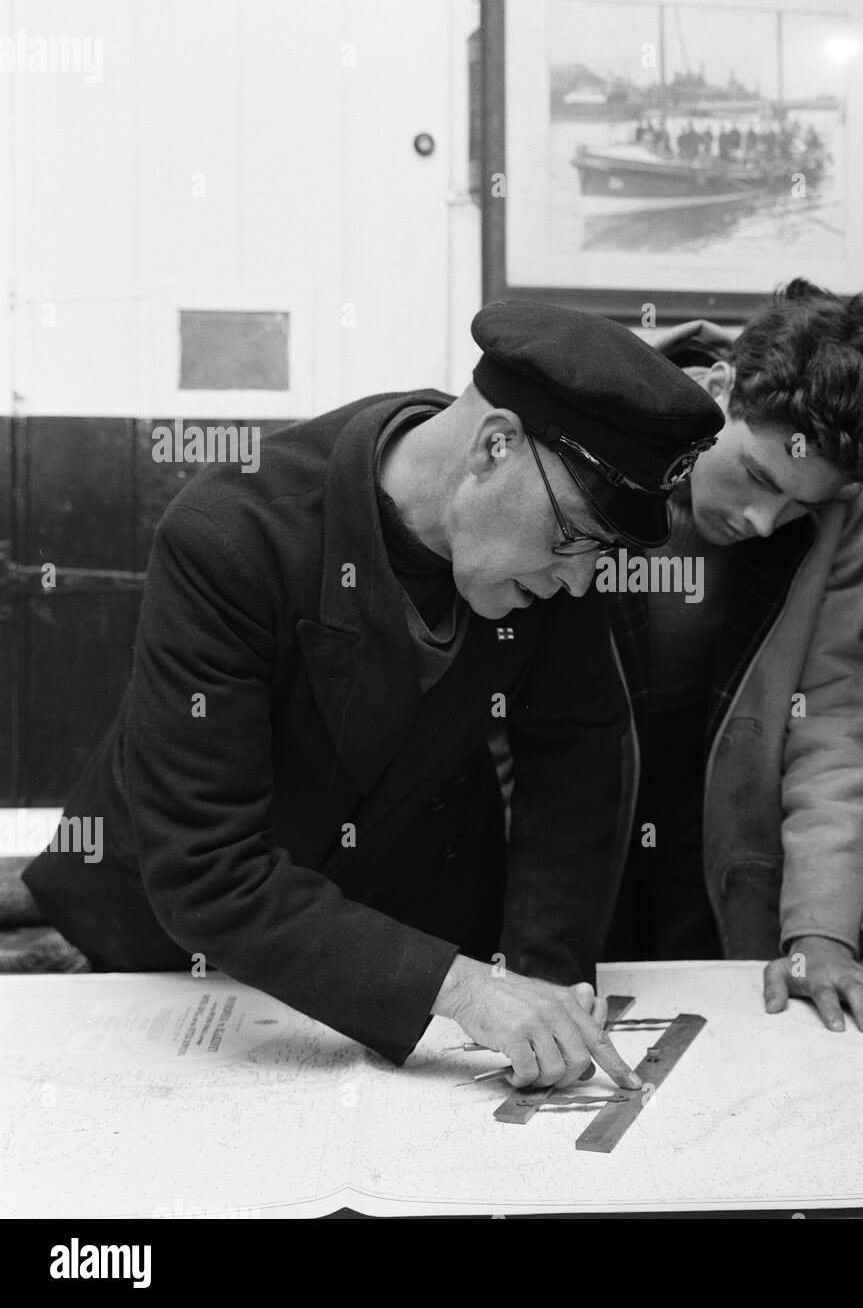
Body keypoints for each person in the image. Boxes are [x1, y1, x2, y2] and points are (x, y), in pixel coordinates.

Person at [21, 300, 723, 1091]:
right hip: (175, 953)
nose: (581, 577)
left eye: (602, 553)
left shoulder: (547, 548)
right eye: (573, 541)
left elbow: (576, 755)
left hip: (401, 948)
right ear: (496, 446)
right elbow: (205, 868)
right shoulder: (231, 535)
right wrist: (461, 987)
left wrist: (543, 985)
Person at [607, 279, 863, 1034]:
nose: (764, 524)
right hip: (566, 798)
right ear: (716, 394)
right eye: (759, 479)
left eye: (800, 508)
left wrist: (822, 933)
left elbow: (833, 719)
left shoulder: (843, 504)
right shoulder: (584, 440)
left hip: (716, 809)